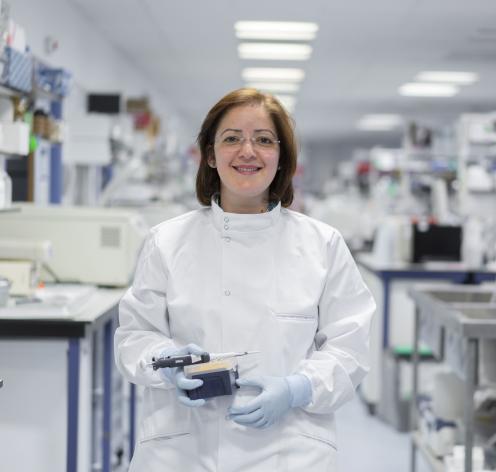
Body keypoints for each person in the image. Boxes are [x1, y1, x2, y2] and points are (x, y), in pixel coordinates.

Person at [114, 88, 376, 472]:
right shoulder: (167, 242)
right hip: (183, 450)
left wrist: (297, 388)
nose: (247, 151)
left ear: (283, 158)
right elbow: (135, 335)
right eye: (232, 138)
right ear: (210, 154)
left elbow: (349, 348)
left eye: (264, 140)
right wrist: (166, 363)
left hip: (290, 450)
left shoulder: (323, 245)